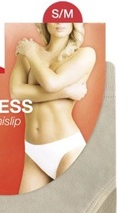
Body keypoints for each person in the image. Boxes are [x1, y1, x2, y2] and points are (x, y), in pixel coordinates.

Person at [10, 23, 96, 193]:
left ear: (74, 23)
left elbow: (51, 83)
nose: (60, 22)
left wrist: (31, 54)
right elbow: (16, 92)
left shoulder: (85, 54)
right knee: (25, 209)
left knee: (69, 208)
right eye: (54, 17)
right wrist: (65, 92)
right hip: (33, 151)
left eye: (66, 18)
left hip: (67, 149)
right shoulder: (27, 52)